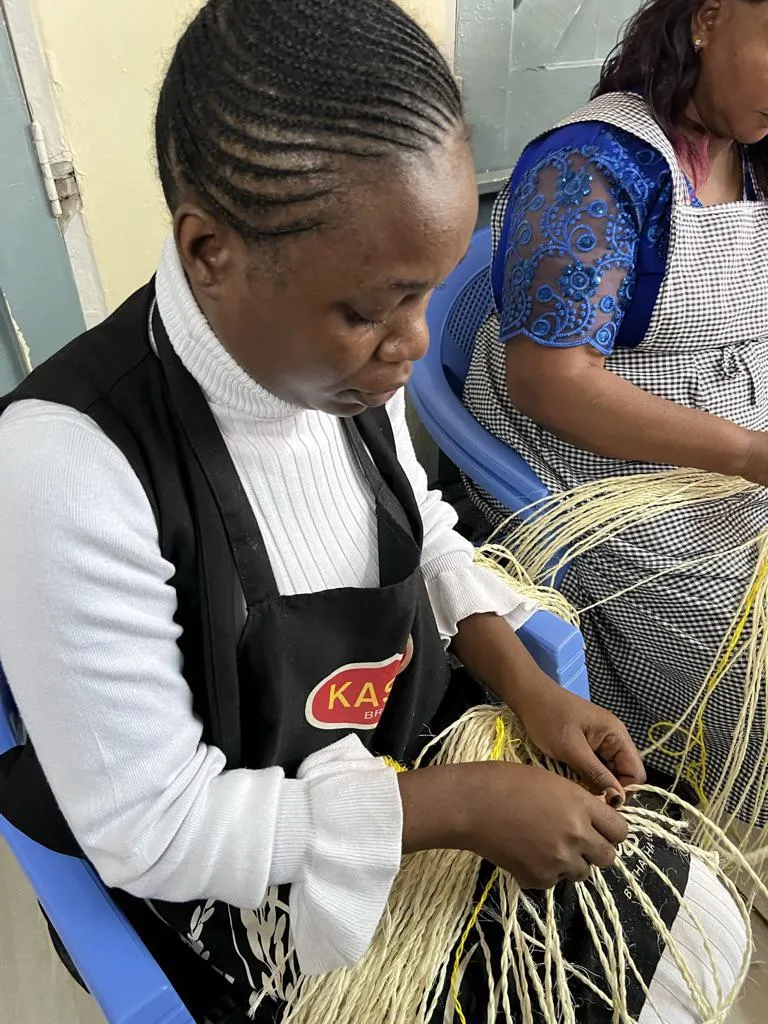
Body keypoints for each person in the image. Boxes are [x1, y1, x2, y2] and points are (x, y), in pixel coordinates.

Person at [0, 1, 746, 1021]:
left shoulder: (338, 370)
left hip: (398, 753)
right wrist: (458, 808)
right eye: (371, 309)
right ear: (209, 249)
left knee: (699, 924)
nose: (413, 345)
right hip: (252, 862)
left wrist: (524, 685)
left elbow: (422, 526)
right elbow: (154, 827)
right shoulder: (66, 468)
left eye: (425, 297)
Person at [464, 0, 768, 826]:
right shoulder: (595, 168)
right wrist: (746, 455)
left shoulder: (757, 151)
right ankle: (729, 801)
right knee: (755, 654)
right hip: (604, 467)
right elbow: (551, 381)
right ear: (710, 18)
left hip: (737, 434)